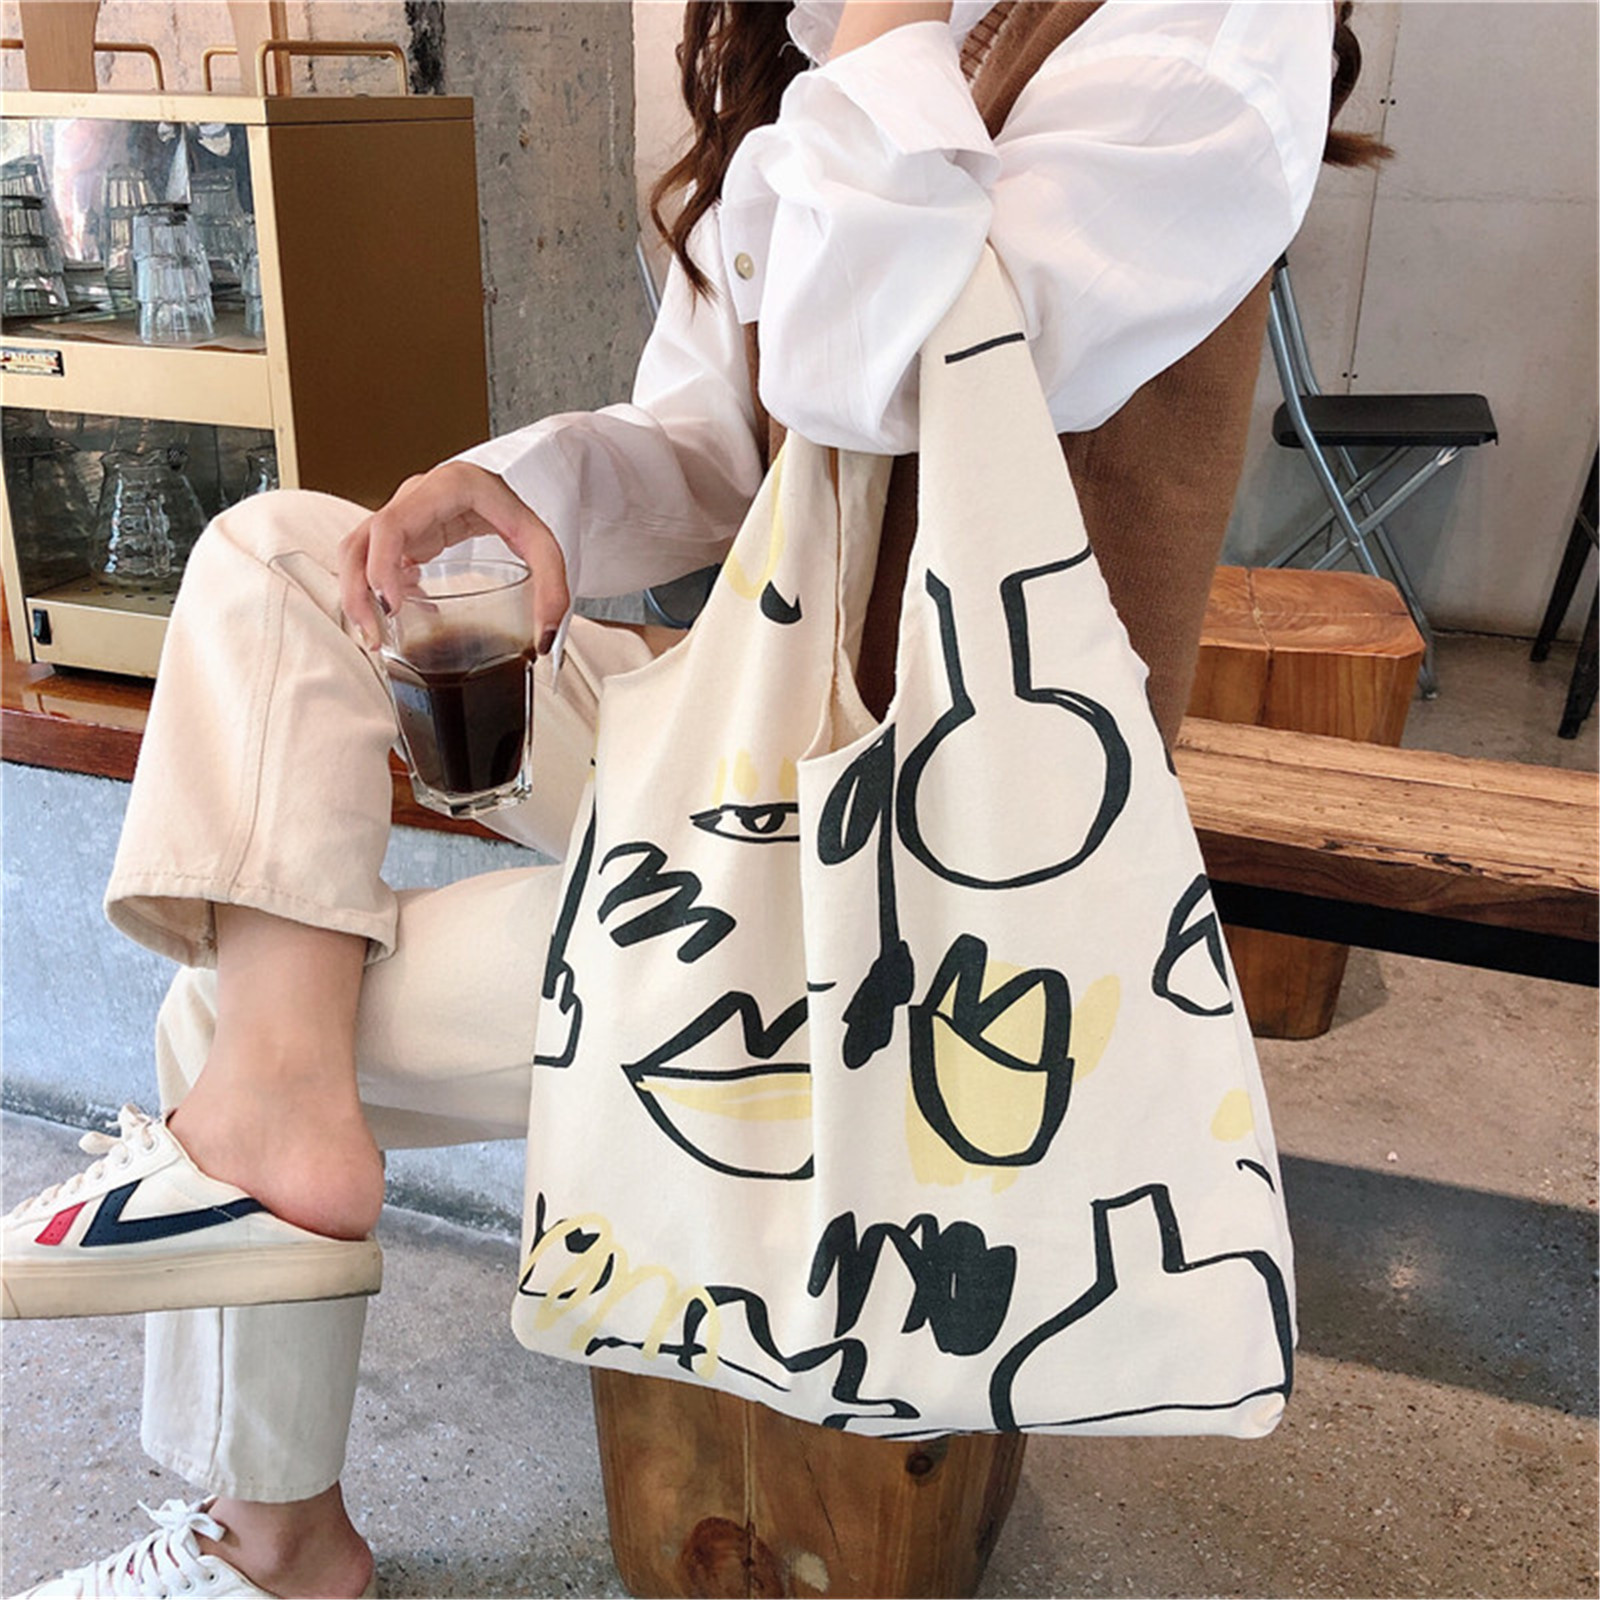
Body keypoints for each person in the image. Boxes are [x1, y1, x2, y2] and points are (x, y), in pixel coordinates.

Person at [3, 2, 1370, 1594]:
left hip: (938, 875)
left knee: (233, 1002)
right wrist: (521, 488)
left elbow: (870, 361)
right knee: (279, 561)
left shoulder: (1205, 26)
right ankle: (274, 1127)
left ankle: (275, 1536)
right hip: (763, 745)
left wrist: (885, 21)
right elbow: (725, 443)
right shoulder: (843, 39)